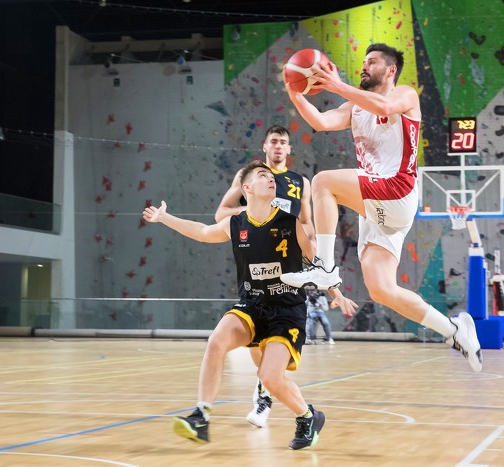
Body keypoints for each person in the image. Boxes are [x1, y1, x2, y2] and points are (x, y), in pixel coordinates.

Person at [280, 42, 482, 372]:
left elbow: (385, 106)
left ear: (390, 70)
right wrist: (295, 94)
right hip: (377, 207)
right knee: (382, 289)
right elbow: (321, 121)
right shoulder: (354, 106)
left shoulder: (405, 95)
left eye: (371, 61)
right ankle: (454, 330)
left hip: (397, 189)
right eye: (363, 61)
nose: (364, 66)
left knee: (323, 182)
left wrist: (335, 85)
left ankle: (324, 267)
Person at [143, 161, 355, 449]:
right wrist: (165, 218)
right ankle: (201, 416)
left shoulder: (289, 223)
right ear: (247, 188)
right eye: (262, 176)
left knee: (269, 377)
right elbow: (202, 232)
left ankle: (308, 416)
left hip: (286, 310)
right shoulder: (236, 224)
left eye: (271, 176)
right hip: (253, 304)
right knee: (216, 341)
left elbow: (315, 262)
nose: (270, 179)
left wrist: (334, 291)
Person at [215, 125, 314, 428]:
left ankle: (265, 392)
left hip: (287, 266)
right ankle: (263, 392)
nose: (279, 146)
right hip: (257, 260)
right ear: (265, 146)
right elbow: (221, 213)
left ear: (289, 148)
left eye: (284, 142)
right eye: (274, 141)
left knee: (275, 339)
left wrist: (310, 250)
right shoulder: (249, 176)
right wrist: (251, 219)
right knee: (257, 340)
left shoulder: (300, 182)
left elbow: (307, 222)